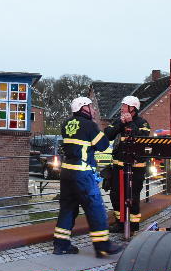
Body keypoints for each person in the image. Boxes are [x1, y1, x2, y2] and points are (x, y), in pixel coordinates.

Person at [52, 97, 123, 258]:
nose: (94, 110)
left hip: (66, 173)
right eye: (91, 107)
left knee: (68, 208)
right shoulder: (89, 125)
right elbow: (103, 145)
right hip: (82, 174)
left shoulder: (66, 124)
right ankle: (102, 246)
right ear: (83, 108)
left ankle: (61, 245)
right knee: (95, 208)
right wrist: (111, 126)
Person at [105, 95, 152, 233]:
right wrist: (120, 123)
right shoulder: (118, 121)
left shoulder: (143, 123)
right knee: (115, 195)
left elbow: (141, 138)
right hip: (118, 167)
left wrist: (130, 123)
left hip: (136, 168)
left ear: (132, 109)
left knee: (133, 196)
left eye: (124, 106)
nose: (121, 109)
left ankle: (133, 225)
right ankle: (121, 223)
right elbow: (108, 134)